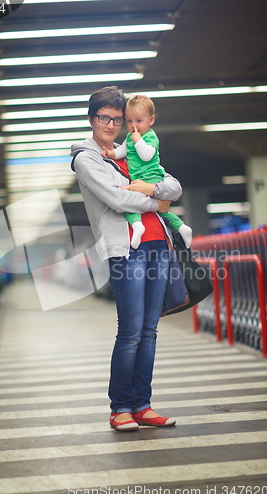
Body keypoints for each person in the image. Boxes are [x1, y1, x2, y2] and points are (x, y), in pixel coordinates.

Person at [71, 86, 182, 432]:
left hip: (157, 245)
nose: (111, 124)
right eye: (103, 117)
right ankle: (120, 407)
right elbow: (117, 200)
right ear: (91, 119)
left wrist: (153, 190)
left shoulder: (133, 146)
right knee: (131, 331)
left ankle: (142, 405)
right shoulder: (86, 159)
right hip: (125, 249)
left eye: (117, 119)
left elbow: (174, 185)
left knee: (149, 331)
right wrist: (158, 200)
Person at [102, 94, 192, 250]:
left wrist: (138, 140)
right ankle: (182, 228)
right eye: (129, 121)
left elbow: (146, 155)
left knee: (130, 203)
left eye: (138, 121)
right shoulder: (130, 138)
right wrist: (112, 154)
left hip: (151, 177)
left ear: (151, 121)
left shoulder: (150, 137)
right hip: (139, 179)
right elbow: (123, 150)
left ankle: (137, 226)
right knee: (160, 211)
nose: (133, 126)